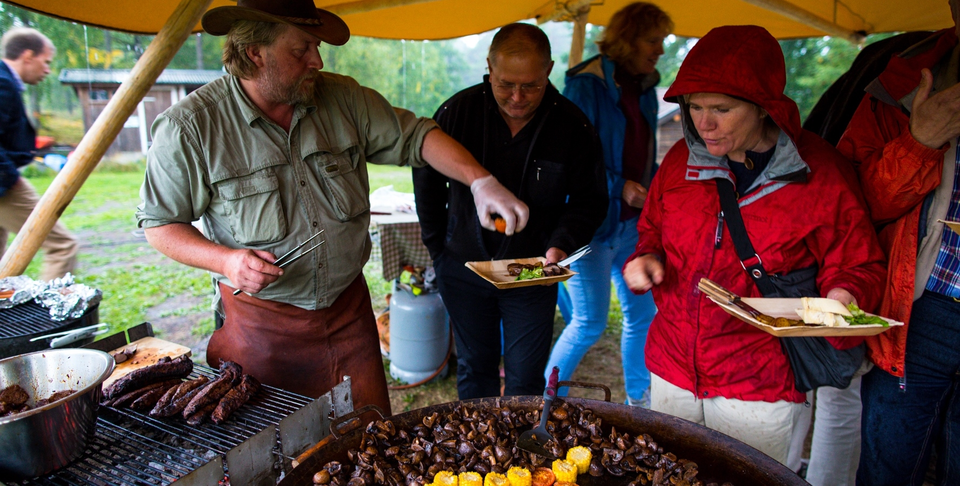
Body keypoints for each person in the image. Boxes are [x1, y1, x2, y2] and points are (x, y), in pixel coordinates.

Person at [136, 0, 529, 414]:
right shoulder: (191, 126)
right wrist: (227, 261)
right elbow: (161, 224)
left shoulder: (343, 98)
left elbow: (418, 136)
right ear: (256, 53)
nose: (316, 60)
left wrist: (481, 181)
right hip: (262, 328)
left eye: (317, 47)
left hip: (348, 317)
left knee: (370, 442)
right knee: (274, 458)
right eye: (301, 49)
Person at [621, 25, 886, 464]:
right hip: (672, 366)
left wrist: (844, 296)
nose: (704, 123)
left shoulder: (819, 173)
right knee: (669, 473)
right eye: (694, 107)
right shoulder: (679, 162)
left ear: (765, 108)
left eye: (722, 109)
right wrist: (646, 257)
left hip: (760, 382)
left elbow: (859, 263)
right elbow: (652, 226)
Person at [412, 23, 607, 399]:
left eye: (531, 85)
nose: (518, 97)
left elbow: (590, 200)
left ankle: (521, 453)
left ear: (549, 70)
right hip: (463, 265)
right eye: (505, 84)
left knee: (524, 377)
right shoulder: (457, 112)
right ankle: (474, 453)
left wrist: (562, 244)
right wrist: (438, 246)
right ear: (489, 66)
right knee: (474, 366)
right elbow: (427, 179)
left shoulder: (573, 126)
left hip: (533, 269)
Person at [836, 1, 960, 482]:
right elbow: (858, 205)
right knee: (887, 469)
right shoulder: (903, 79)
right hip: (919, 310)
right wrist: (920, 141)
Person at [545, 2, 671, 407]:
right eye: (654, 40)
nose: (661, 50)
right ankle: (543, 402)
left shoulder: (646, 87)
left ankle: (642, 403)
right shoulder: (587, 83)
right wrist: (619, 188)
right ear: (628, 39)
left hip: (633, 225)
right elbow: (572, 159)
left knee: (642, 317)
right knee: (588, 323)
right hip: (592, 225)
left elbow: (644, 152)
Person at [0, 27, 77, 281]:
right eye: (46, 62)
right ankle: (49, 318)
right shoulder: (2, 82)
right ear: (28, 55)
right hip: (3, 183)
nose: (47, 70)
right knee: (61, 245)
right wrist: (10, 180)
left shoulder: (7, 81)